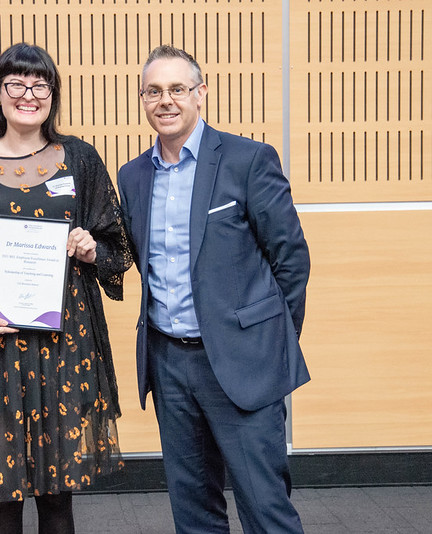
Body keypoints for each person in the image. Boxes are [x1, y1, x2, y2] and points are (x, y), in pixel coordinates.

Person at [0, 43, 132, 534]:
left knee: (57, 497)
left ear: (52, 96)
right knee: (3, 498)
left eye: (40, 85)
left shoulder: (80, 158)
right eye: (15, 84)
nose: (28, 94)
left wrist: (89, 249)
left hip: (65, 346)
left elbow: (117, 245)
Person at [117, 45, 311, 533]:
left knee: (265, 509)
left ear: (200, 93)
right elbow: (137, 261)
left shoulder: (248, 159)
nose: (166, 101)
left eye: (178, 89)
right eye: (154, 91)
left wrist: (271, 345)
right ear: (142, 99)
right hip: (168, 364)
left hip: (242, 362)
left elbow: (291, 259)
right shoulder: (133, 176)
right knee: (194, 513)